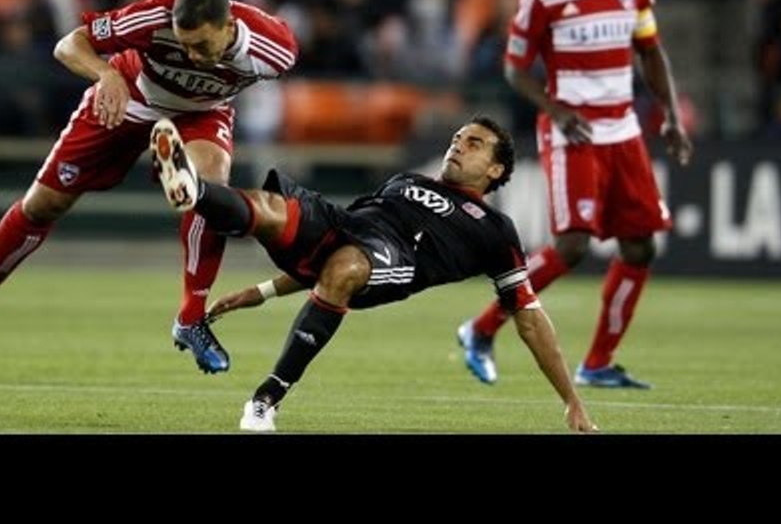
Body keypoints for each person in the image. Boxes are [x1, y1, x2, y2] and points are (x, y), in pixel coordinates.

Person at [0, 0, 299, 374]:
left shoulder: (275, 49)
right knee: (44, 205)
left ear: (228, 25)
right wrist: (105, 74)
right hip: (128, 96)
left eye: (201, 45)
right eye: (184, 45)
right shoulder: (154, 16)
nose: (192, 55)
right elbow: (68, 44)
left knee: (210, 190)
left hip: (201, 113)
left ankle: (191, 318)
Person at [151, 113, 597, 433]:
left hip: (395, 258)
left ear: (495, 170)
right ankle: (193, 189)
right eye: (457, 138)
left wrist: (571, 402)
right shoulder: (407, 181)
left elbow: (529, 317)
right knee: (270, 206)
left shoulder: (496, 230)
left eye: (474, 144)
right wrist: (262, 292)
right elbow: (333, 247)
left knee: (346, 267)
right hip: (345, 226)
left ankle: (266, 399)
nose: (458, 145)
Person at [456, 0, 693, 389]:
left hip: (623, 130)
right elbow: (515, 68)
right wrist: (557, 110)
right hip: (573, 132)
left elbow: (650, 52)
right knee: (572, 246)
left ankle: (598, 363)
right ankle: (481, 328)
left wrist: (670, 116)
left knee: (640, 247)